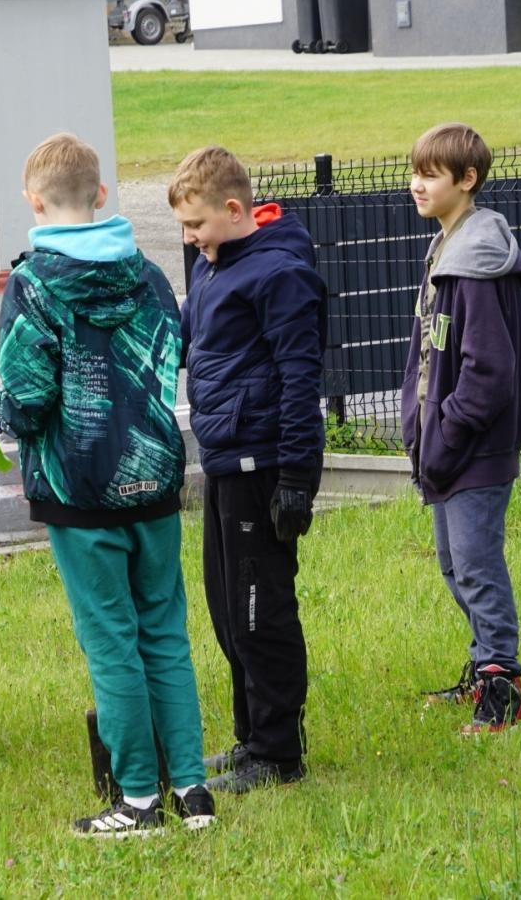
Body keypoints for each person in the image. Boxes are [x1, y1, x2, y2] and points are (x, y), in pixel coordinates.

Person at [0, 133, 215, 837]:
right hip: (153, 477)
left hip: (78, 487)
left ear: (33, 202)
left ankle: (138, 798)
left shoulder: (32, 284)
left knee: (111, 642)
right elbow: (172, 353)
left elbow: (28, 396)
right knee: (165, 632)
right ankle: (193, 792)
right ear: (102, 195)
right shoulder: (149, 275)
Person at [168, 146, 326, 794]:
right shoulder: (214, 266)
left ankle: (279, 753)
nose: (189, 238)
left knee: (262, 611)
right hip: (223, 461)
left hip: (264, 464)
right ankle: (250, 737)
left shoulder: (279, 274)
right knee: (230, 610)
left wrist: (296, 480)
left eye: (196, 225)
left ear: (234, 210)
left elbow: (301, 380)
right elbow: (189, 342)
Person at [400, 123, 521, 734]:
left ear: (467, 179)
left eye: (430, 175)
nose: (417, 185)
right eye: (415, 172)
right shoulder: (446, 248)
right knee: (455, 567)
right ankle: (485, 667)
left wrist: (448, 432)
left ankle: (503, 688)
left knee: (478, 568)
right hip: (445, 450)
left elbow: (488, 371)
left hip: (472, 451)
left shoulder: (473, 262)